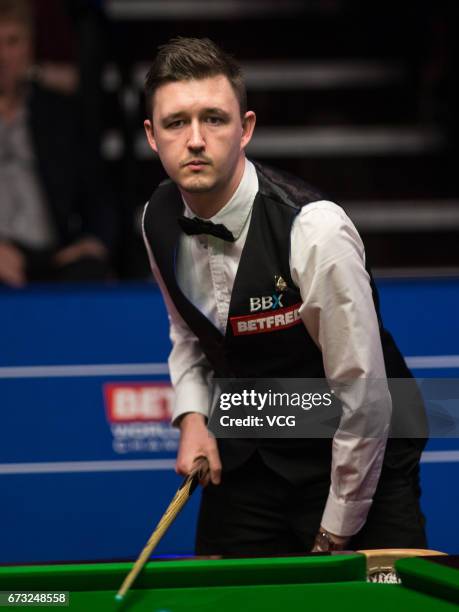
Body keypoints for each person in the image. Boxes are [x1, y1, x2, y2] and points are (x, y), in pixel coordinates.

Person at [142, 37, 427, 554]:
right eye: (176, 123)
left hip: (364, 458)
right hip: (251, 453)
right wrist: (192, 419)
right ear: (151, 137)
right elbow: (189, 331)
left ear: (246, 128)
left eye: (215, 119)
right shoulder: (156, 220)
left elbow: (362, 400)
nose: (196, 139)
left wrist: (334, 530)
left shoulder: (315, 230)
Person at [0, 0, 116, 287]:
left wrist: (93, 241)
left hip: (54, 255)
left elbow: (99, 193)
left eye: (12, 42)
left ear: (29, 48)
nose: (1, 55)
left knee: (89, 273)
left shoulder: (61, 115)